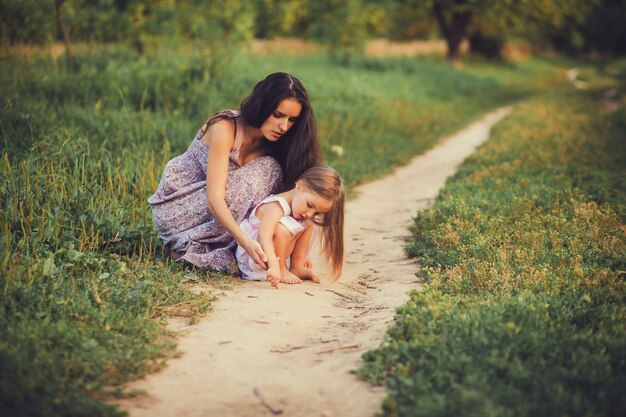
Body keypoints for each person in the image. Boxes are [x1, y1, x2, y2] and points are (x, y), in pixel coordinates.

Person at [148, 73, 322, 272]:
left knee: (280, 176)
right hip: (179, 206)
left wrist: (301, 255)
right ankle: (193, 243)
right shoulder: (225, 127)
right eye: (278, 115)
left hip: (215, 211)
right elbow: (214, 199)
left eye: (292, 120)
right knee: (269, 170)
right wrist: (246, 241)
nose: (283, 126)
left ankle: (226, 247)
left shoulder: (276, 144)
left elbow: (293, 197)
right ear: (263, 105)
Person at [236, 166, 345, 287]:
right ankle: (282, 269)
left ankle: (297, 266)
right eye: (309, 205)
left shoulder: (301, 211)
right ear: (299, 185)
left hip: (273, 253)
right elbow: (264, 236)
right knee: (282, 229)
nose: (309, 213)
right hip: (256, 256)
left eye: (316, 212)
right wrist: (274, 265)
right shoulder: (276, 206)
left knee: (310, 223)